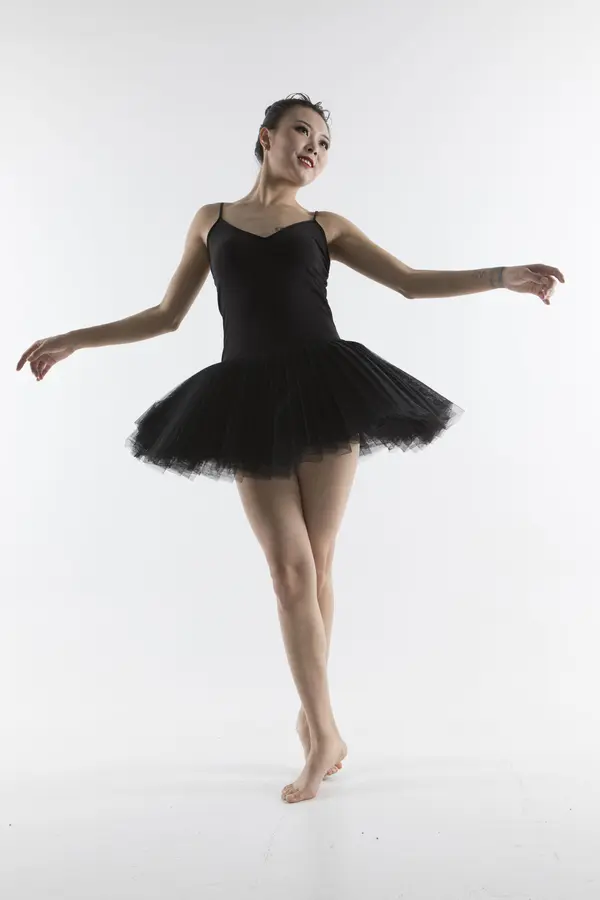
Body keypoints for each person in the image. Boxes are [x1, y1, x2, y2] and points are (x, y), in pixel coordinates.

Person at [16, 92, 565, 804]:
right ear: (266, 136)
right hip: (246, 398)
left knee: (318, 564)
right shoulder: (212, 220)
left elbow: (408, 283)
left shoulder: (324, 226)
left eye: (325, 143)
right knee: (289, 570)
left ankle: (316, 724)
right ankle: (324, 726)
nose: (314, 148)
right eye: (302, 132)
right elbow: (165, 315)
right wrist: (73, 339)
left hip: (327, 388)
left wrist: (503, 277)